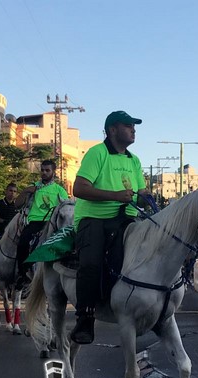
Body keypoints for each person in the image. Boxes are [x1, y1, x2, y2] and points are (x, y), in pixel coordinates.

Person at [70, 111, 149, 345]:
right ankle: (85, 317)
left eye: (134, 126)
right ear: (113, 130)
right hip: (94, 219)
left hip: (127, 221)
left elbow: (141, 192)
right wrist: (115, 196)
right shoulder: (98, 153)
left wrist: (146, 197)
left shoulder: (133, 160)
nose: (133, 130)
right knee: (92, 264)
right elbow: (79, 189)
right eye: (128, 126)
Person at [15, 160, 68, 289]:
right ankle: (22, 275)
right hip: (35, 222)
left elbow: (65, 209)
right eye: (42, 170)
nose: (44, 173)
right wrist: (26, 191)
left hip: (53, 224)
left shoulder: (60, 190)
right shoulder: (33, 187)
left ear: (53, 172)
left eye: (47, 170)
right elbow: (17, 204)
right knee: (22, 243)